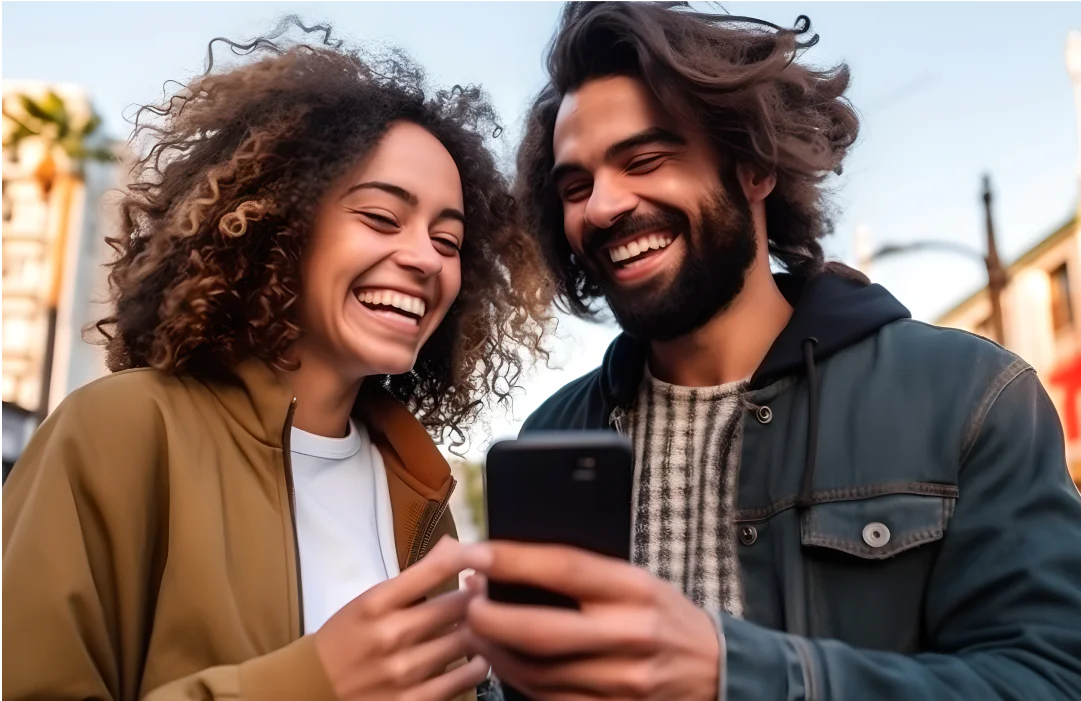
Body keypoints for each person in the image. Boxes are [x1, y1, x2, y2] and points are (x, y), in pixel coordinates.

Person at [460, 2, 1081, 700]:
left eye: (645, 160)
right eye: (576, 186)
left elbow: (1051, 680)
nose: (602, 206)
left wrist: (733, 671)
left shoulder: (972, 397)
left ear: (754, 167)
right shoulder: (553, 434)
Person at [1, 20, 550, 701]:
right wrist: (311, 682)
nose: (424, 258)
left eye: (448, 241)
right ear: (279, 223)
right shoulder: (120, 429)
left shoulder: (418, 489)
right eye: (381, 218)